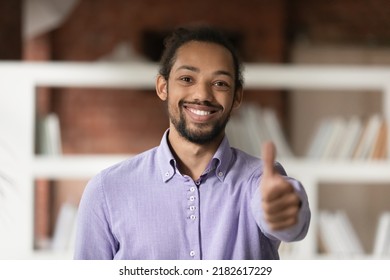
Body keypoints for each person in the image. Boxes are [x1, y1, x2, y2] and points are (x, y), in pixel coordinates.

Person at [74, 25, 310, 260]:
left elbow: (288, 220)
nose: (202, 95)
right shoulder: (107, 190)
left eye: (220, 83)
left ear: (236, 96)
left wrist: (284, 214)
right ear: (163, 87)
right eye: (187, 79)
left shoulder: (259, 180)